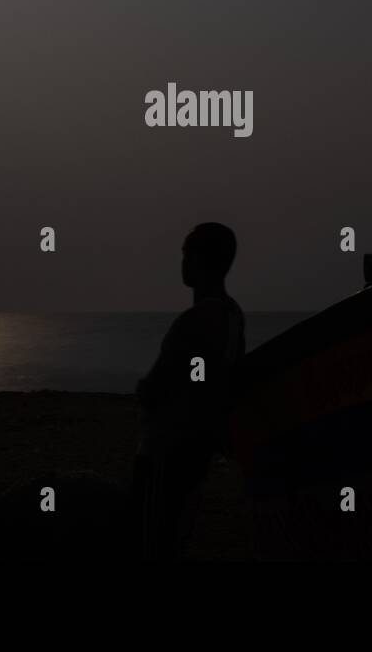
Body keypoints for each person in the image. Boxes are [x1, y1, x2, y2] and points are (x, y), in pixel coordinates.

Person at [134, 222, 245, 560]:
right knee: (177, 531)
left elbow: (157, 386)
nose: (182, 263)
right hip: (200, 447)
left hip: (168, 449)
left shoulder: (194, 321)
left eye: (187, 254)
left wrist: (147, 392)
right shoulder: (233, 316)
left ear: (201, 260)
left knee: (152, 537)